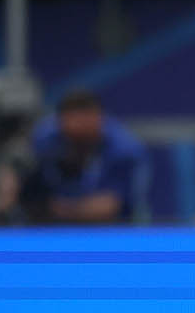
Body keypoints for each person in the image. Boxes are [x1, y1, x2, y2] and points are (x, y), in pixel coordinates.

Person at [20, 90, 150, 224]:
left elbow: (111, 206)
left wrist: (62, 209)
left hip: (112, 228)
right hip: (48, 227)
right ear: (60, 123)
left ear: (99, 120)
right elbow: (25, 190)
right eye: (72, 136)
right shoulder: (42, 141)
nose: (78, 135)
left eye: (85, 134)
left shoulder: (125, 149)